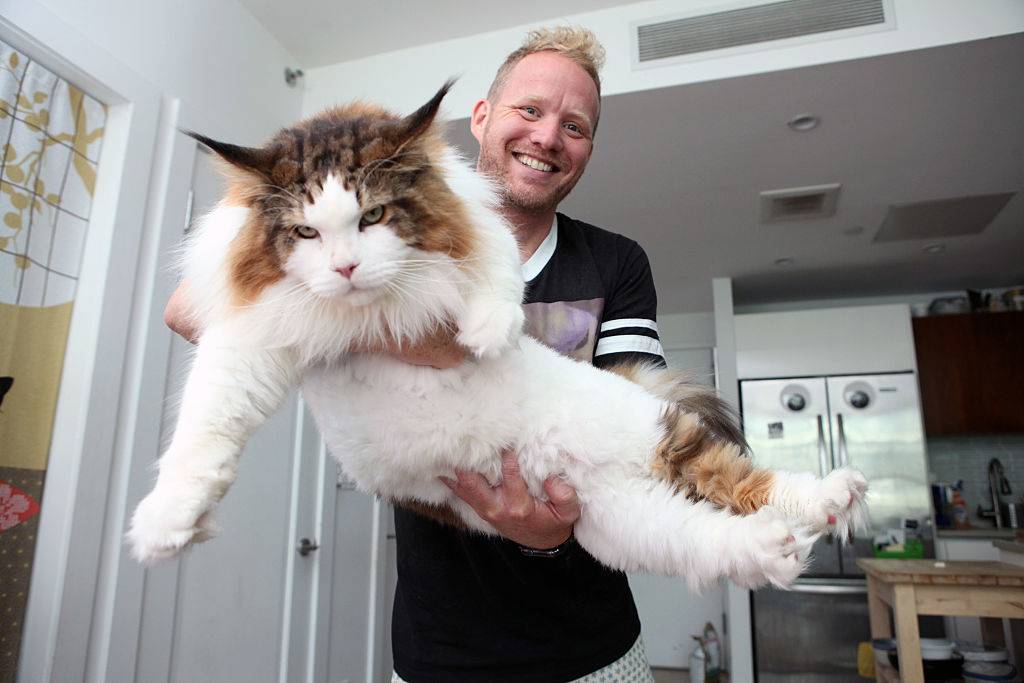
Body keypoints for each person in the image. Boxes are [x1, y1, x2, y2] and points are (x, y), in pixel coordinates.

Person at [165, 26, 666, 682]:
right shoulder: (367, 242)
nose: (548, 137)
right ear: (482, 118)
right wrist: (395, 322)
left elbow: (643, 427)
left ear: (588, 149)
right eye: (531, 110)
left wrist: (552, 528)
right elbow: (187, 309)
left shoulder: (615, 261)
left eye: (575, 125)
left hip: (594, 647)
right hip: (438, 652)